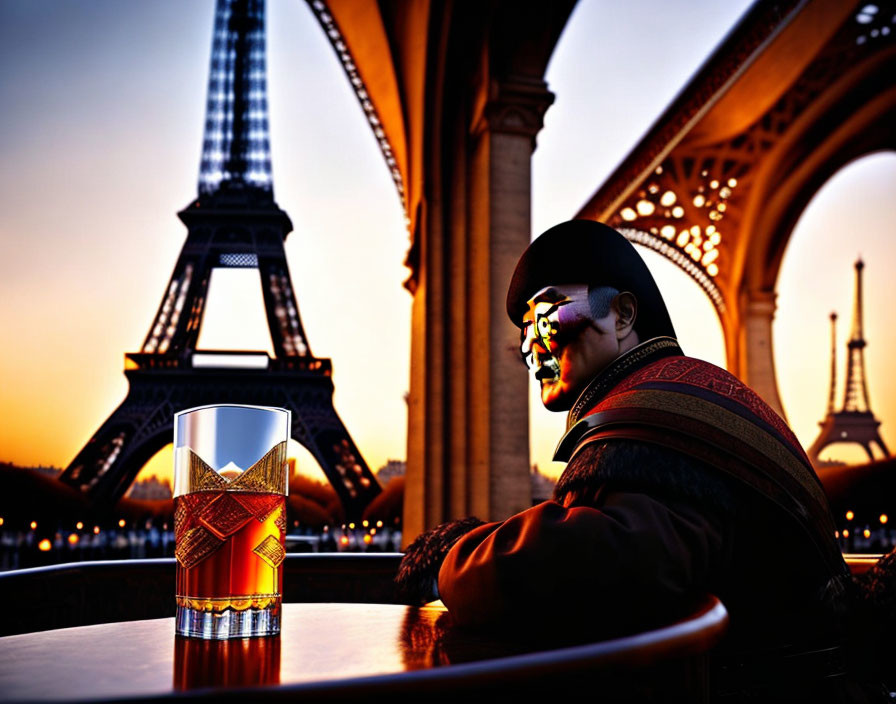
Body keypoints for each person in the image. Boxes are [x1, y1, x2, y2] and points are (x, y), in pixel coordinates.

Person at [396, 220, 889, 697]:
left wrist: (453, 555)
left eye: (547, 319)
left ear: (624, 316)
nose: (534, 349)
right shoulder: (695, 396)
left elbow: (593, 568)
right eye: (525, 335)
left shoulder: (650, 423)